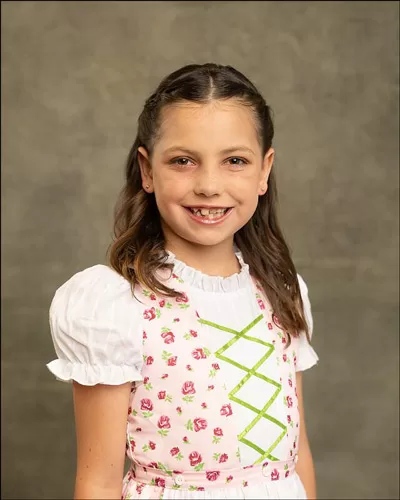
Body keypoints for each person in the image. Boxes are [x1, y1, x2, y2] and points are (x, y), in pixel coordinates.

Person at [47, 62, 319, 500]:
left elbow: (297, 454)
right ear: (147, 170)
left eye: (235, 161)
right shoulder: (115, 304)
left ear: (264, 170)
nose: (209, 186)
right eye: (183, 161)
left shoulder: (284, 290)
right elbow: (98, 482)